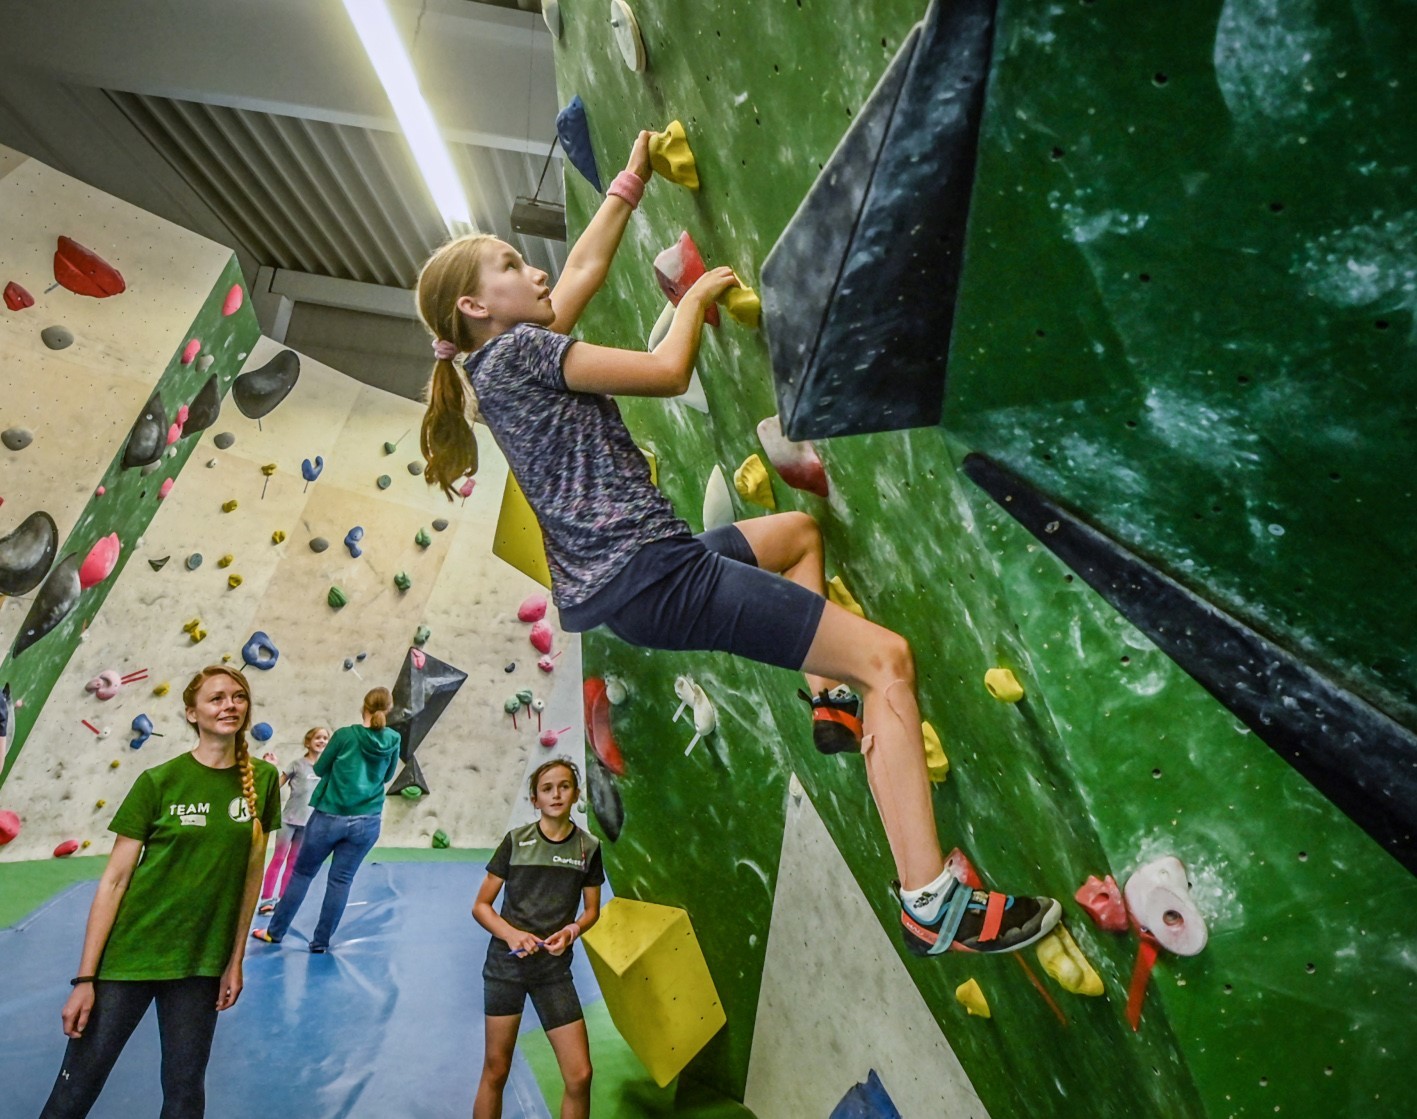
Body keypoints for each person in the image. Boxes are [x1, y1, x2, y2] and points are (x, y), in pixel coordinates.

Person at [415, 130, 1061, 959]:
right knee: (889, 660)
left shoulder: (499, 364)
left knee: (797, 533)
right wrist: (693, 297)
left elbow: (576, 273)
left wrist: (629, 181)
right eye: (511, 264)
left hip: (643, 576)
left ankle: (827, 697)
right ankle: (929, 899)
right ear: (475, 306)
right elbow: (666, 372)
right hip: (656, 574)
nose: (534, 271)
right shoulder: (523, 352)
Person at [38, 665, 279, 1119]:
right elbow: (114, 881)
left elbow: (251, 876)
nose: (230, 705)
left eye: (238, 696)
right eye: (217, 698)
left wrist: (235, 959)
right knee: (75, 1090)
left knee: (185, 1095)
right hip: (132, 953)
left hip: (199, 964)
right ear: (192, 713)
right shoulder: (158, 781)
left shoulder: (263, 782)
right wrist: (86, 979)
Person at [471, 758, 602, 1119]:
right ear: (535, 799)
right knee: (496, 1070)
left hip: (553, 972)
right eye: (547, 788)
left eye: (564, 786)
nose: (556, 794)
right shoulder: (516, 842)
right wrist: (511, 935)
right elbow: (481, 906)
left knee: (580, 1075)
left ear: (575, 793)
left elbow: (592, 911)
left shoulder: (588, 848)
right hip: (505, 968)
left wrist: (573, 930)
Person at [251, 688, 398, 952]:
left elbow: (318, 768)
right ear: (388, 709)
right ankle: (320, 942)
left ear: (363, 706)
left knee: (302, 873)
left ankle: (275, 932)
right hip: (368, 820)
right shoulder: (393, 738)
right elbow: (387, 776)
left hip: (330, 816)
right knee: (341, 881)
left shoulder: (345, 735)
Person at [257, 726, 331, 915]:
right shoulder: (297, 765)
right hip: (288, 820)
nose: (322, 741)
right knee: (278, 858)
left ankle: (283, 900)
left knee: (293, 862)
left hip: (308, 824)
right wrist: (270, 767)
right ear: (308, 742)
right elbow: (275, 785)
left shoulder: (328, 769)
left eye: (325, 738)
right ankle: (267, 900)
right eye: (318, 737)